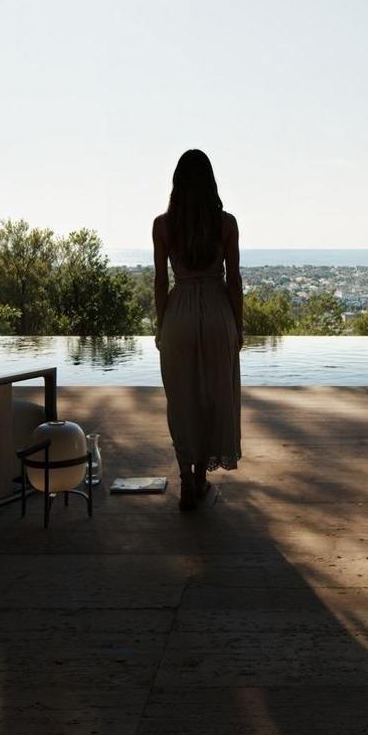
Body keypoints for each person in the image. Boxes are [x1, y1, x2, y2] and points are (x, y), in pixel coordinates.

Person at [153, 149, 243, 510]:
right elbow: (234, 280)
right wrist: (238, 326)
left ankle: (186, 479)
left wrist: (161, 325)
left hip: (179, 314)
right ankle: (202, 477)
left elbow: (161, 281)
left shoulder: (163, 225)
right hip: (217, 311)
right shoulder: (226, 223)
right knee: (212, 397)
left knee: (181, 398)